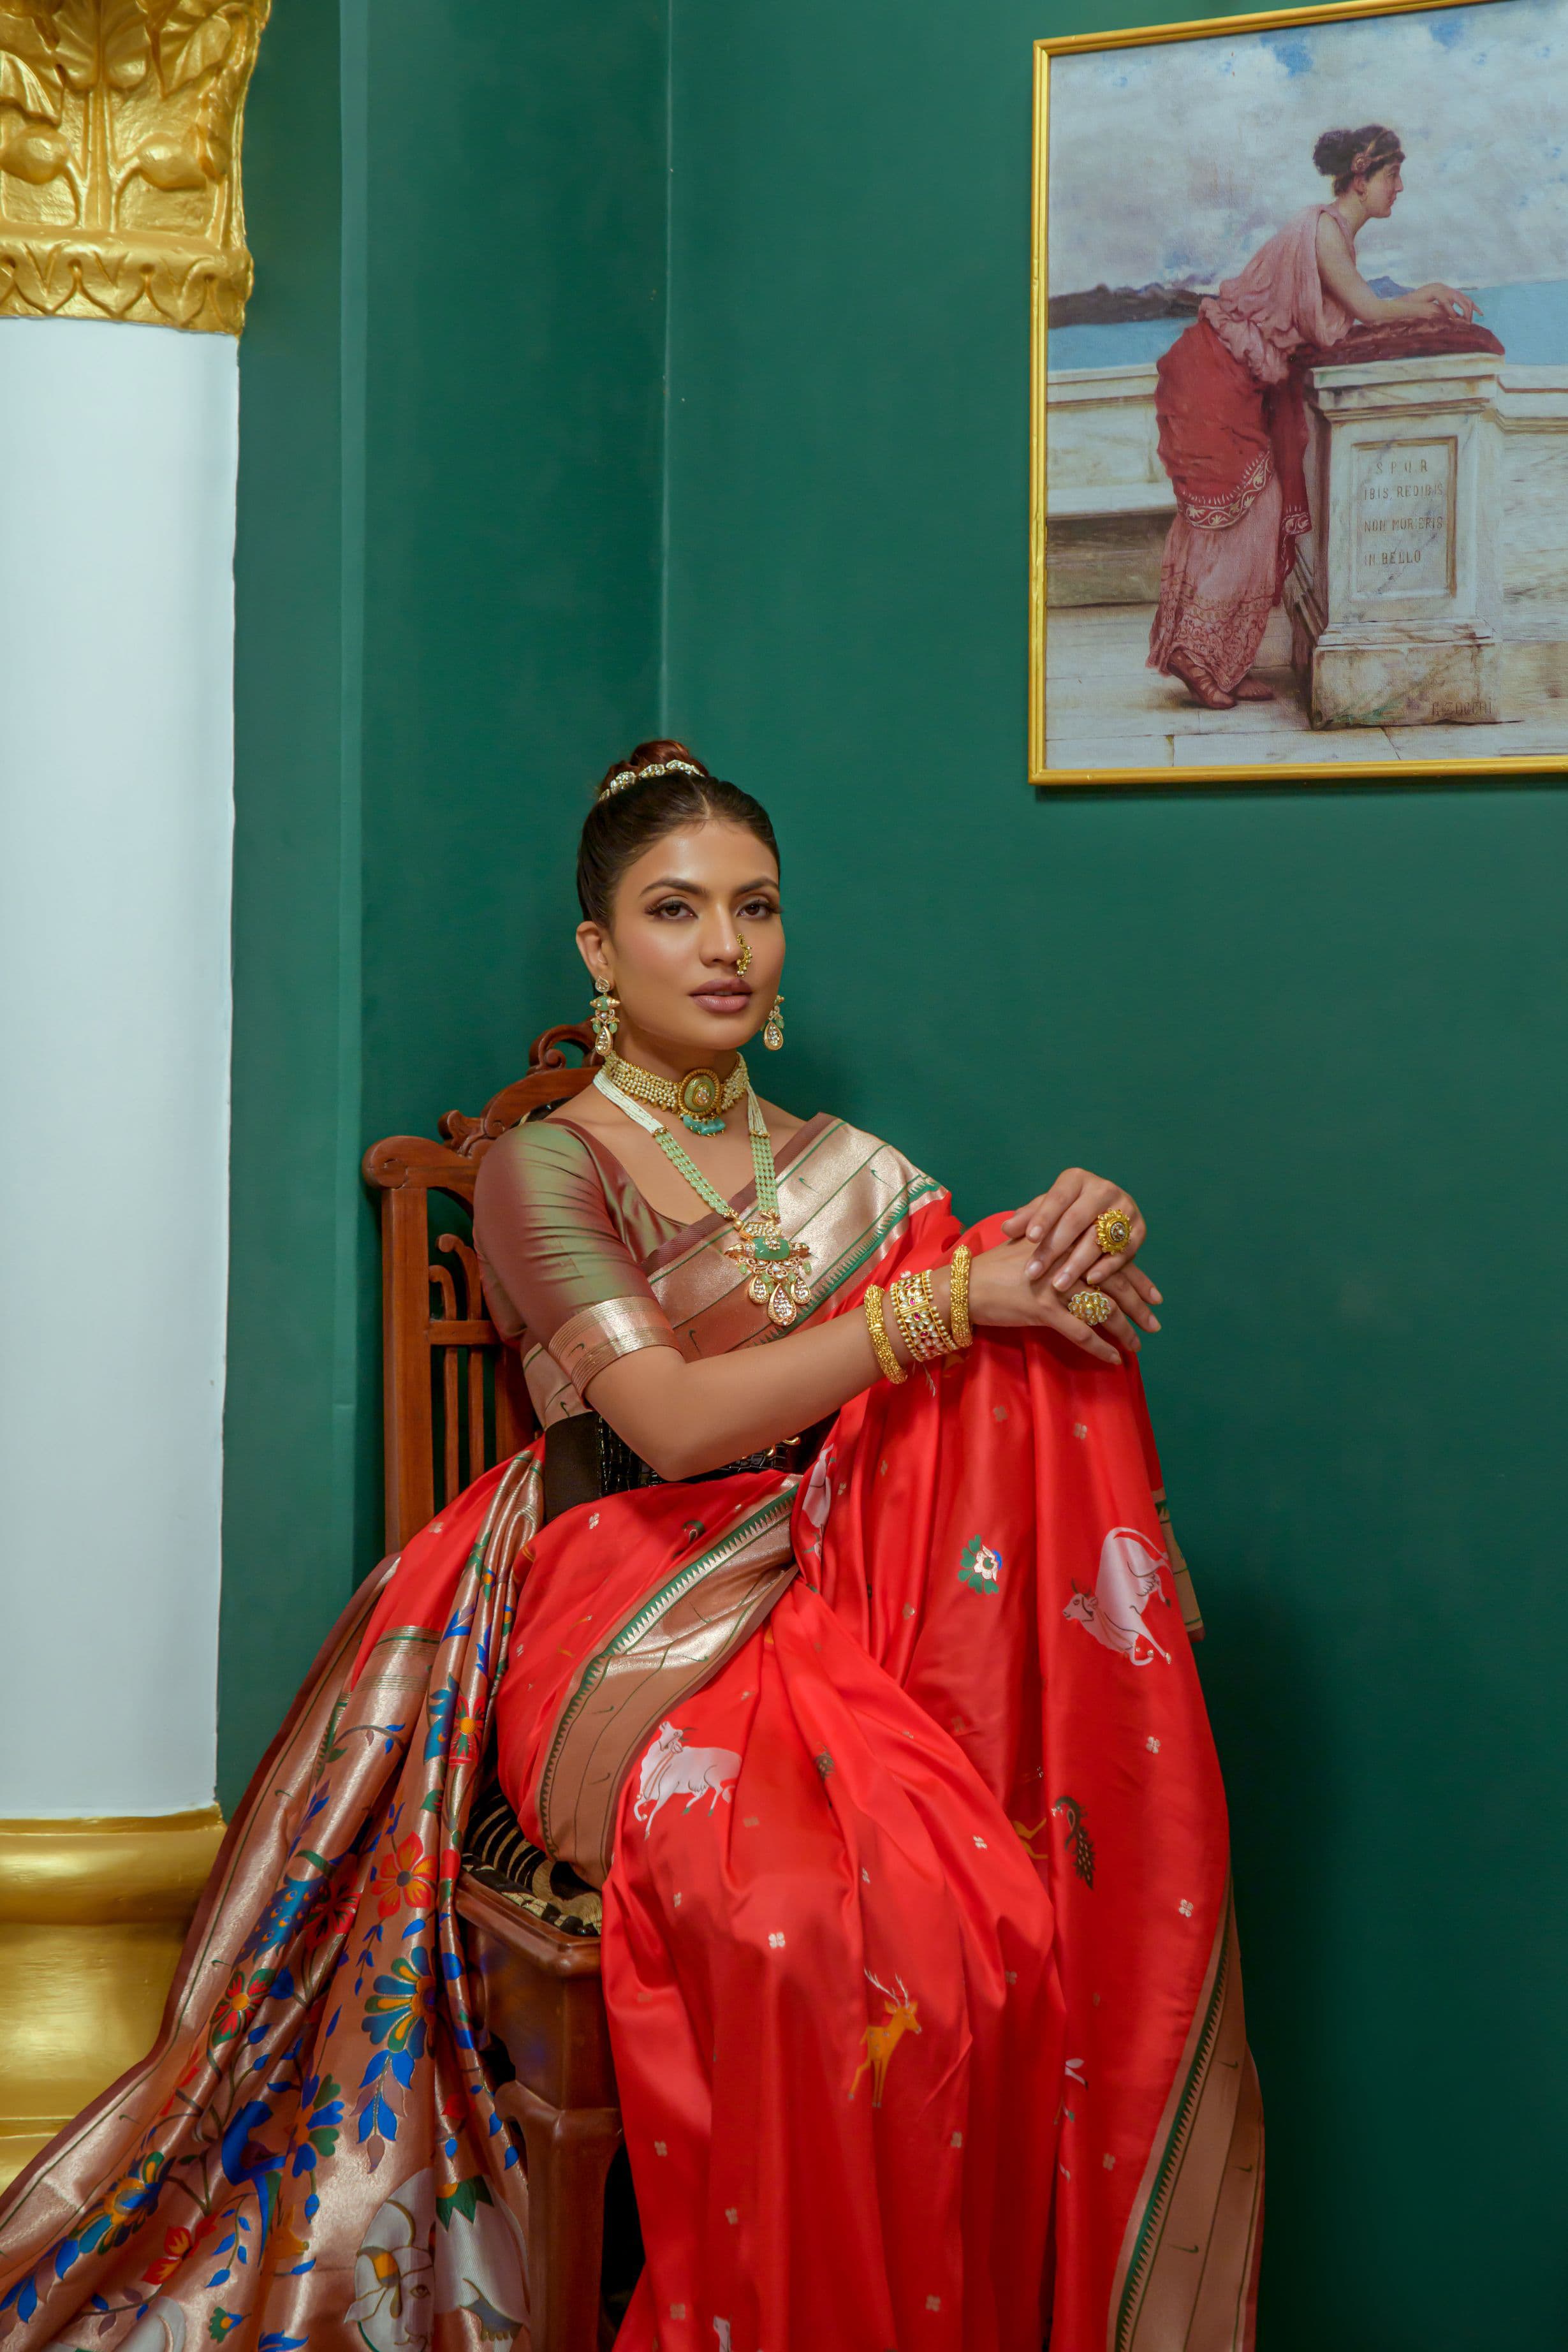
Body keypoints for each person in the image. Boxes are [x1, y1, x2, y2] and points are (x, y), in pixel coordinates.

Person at [0, 744, 1263, 2352]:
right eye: (675, 910)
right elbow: (667, 1422)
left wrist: (1063, 1245)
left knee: (988, 1917)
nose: (726, 944)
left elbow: (954, 1364)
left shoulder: (858, 1174)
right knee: (797, 1917)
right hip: (620, 1596)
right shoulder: (549, 1164)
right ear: (600, 948)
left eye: (756, 907)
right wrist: (953, 1300)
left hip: (841, 1574)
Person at [1148, 123, 1477, 710]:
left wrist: (1420, 296)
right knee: (1237, 517)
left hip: (1241, 380)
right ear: (1360, 177)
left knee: (1256, 517)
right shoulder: (1324, 232)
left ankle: (1218, 663)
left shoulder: (1333, 237)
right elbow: (1370, 310)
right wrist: (1428, 292)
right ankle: (1194, 657)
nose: (1398, 189)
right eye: (1391, 176)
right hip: (1218, 377)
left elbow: (1361, 306)